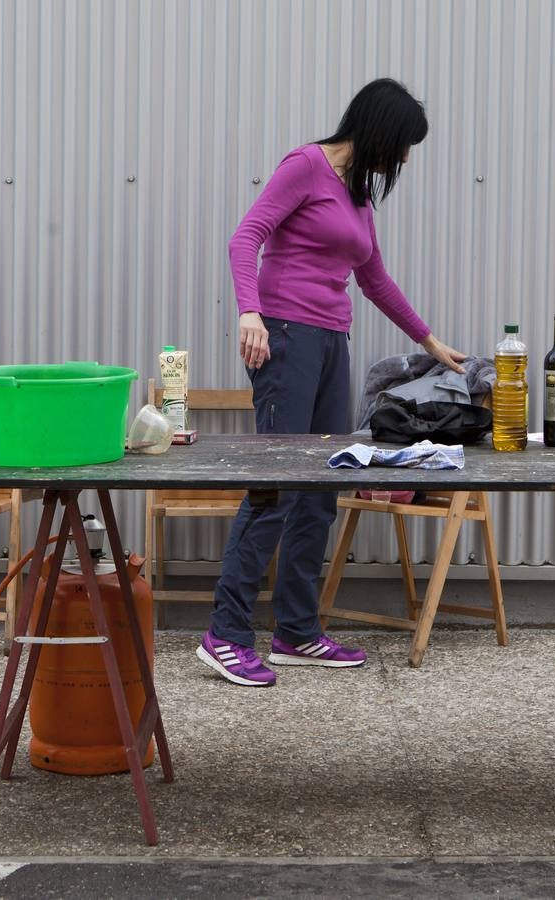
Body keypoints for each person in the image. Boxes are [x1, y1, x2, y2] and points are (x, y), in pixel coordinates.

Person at [198, 79, 466, 687]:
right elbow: (247, 237)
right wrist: (250, 312)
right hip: (285, 338)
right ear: (378, 130)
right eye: (402, 146)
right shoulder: (305, 166)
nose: (402, 159)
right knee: (275, 486)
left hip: (330, 344)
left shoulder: (357, 197)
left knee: (321, 487)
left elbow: (374, 279)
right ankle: (225, 634)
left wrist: (428, 340)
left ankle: (295, 630)